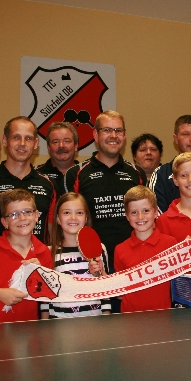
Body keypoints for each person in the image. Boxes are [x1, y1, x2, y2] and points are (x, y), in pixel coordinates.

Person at [64, 111, 146, 277]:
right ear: (95, 134)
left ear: (124, 135)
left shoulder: (137, 173)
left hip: (131, 260)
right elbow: (67, 221)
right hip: (90, 262)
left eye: (118, 131)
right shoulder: (76, 174)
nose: (113, 136)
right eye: (107, 130)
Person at [0, 116, 57, 253]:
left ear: (36, 143)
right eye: (16, 137)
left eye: (28, 138)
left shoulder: (49, 184)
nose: (22, 143)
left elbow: (54, 235)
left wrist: (44, 262)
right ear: (5, 140)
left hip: (38, 264)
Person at [0, 189, 53, 324]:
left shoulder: (43, 252)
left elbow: (47, 295)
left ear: (37, 215)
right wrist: (0, 294)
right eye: (14, 214)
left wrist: (40, 274)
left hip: (28, 329)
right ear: (4, 222)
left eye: (27, 212)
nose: (22, 218)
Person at [44, 192, 110, 318]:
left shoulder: (99, 248)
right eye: (66, 213)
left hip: (94, 323)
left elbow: (105, 292)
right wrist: (45, 323)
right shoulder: (48, 252)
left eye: (79, 212)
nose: (73, 217)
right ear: (58, 219)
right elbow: (45, 295)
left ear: (86, 218)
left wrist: (99, 272)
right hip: (59, 323)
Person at [114, 186, 178, 313]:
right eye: (134, 212)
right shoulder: (120, 249)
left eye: (146, 211)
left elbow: (179, 285)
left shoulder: (170, 244)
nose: (140, 216)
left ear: (156, 212)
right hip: (129, 319)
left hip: (163, 318)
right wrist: (101, 273)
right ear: (127, 216)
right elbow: (120, 294)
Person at [36, 122, 79, 197]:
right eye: (55, 142)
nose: (61, 146)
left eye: (67, 141)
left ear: (76, 146)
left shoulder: (85, 174)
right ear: (48, 147)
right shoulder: (36, 174)